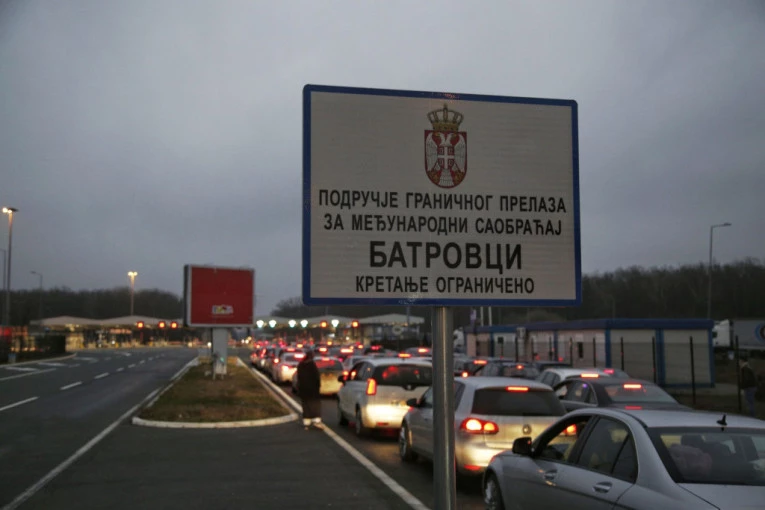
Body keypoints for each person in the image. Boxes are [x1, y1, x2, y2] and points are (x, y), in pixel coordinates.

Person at [297, 349, 323, 430]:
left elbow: (299, 377)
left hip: (303, 388)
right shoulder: (312, 365)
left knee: (306, 405)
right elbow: (316, 377)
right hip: (312, 389)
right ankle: (316, 421)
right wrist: (318, 386)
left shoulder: (301, 365)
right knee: (315, 405)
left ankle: (306, 423)